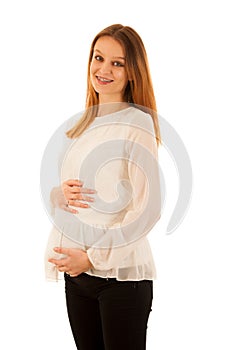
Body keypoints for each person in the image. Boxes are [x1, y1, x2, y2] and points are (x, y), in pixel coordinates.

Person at [44, 24, 161, 350]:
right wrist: (59, 194)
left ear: (132, 72)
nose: (104, 69)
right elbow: (79, 192)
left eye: (117, 62)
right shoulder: (80, 124)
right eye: (99, 58)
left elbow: (148, 209)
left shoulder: (138, 123)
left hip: (120, 279)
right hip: (77, 277)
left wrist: (93, 257)